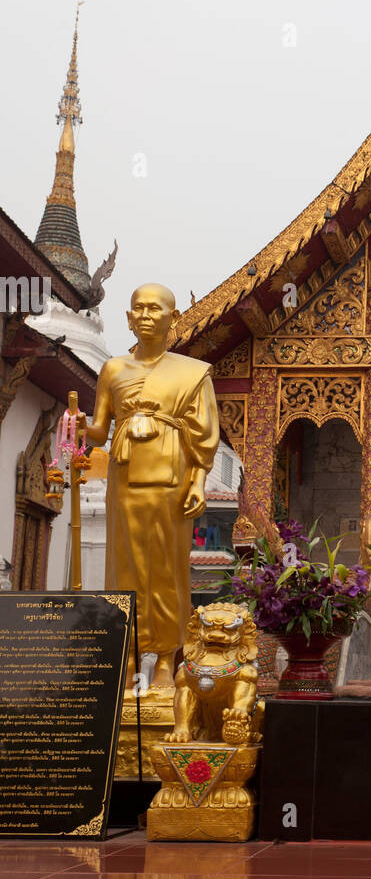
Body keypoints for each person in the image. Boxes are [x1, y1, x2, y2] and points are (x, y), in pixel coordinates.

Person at [84, 284, 219, 690]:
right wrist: (75, 423)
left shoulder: (192, 372)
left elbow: (203, 435)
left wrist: (198, 481)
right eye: (137, 309)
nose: (144, 315)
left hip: (171, 482)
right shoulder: (113, 369)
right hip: (124, 481)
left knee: (166, 570)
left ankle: (165, 658)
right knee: (122, 566)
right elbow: (98, 430)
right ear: (128, 318)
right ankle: (124, 655)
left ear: (172, 318)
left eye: (154, 309)